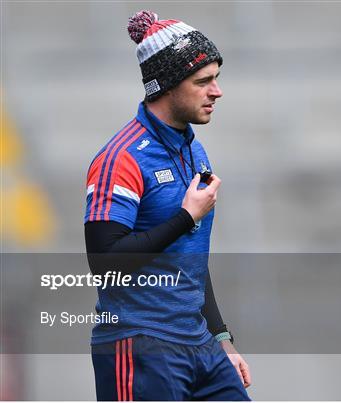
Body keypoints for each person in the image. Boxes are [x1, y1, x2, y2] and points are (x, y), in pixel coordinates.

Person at [84, 10, 251, 401]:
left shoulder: (195, 152)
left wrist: (221, 338)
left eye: (217, 79)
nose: (217, 91)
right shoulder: (120, 158)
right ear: (168, 87)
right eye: (203, 81)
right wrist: (186, 216)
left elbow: (191, 260)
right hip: (140, 344)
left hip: (198, 344)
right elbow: (104, 261)